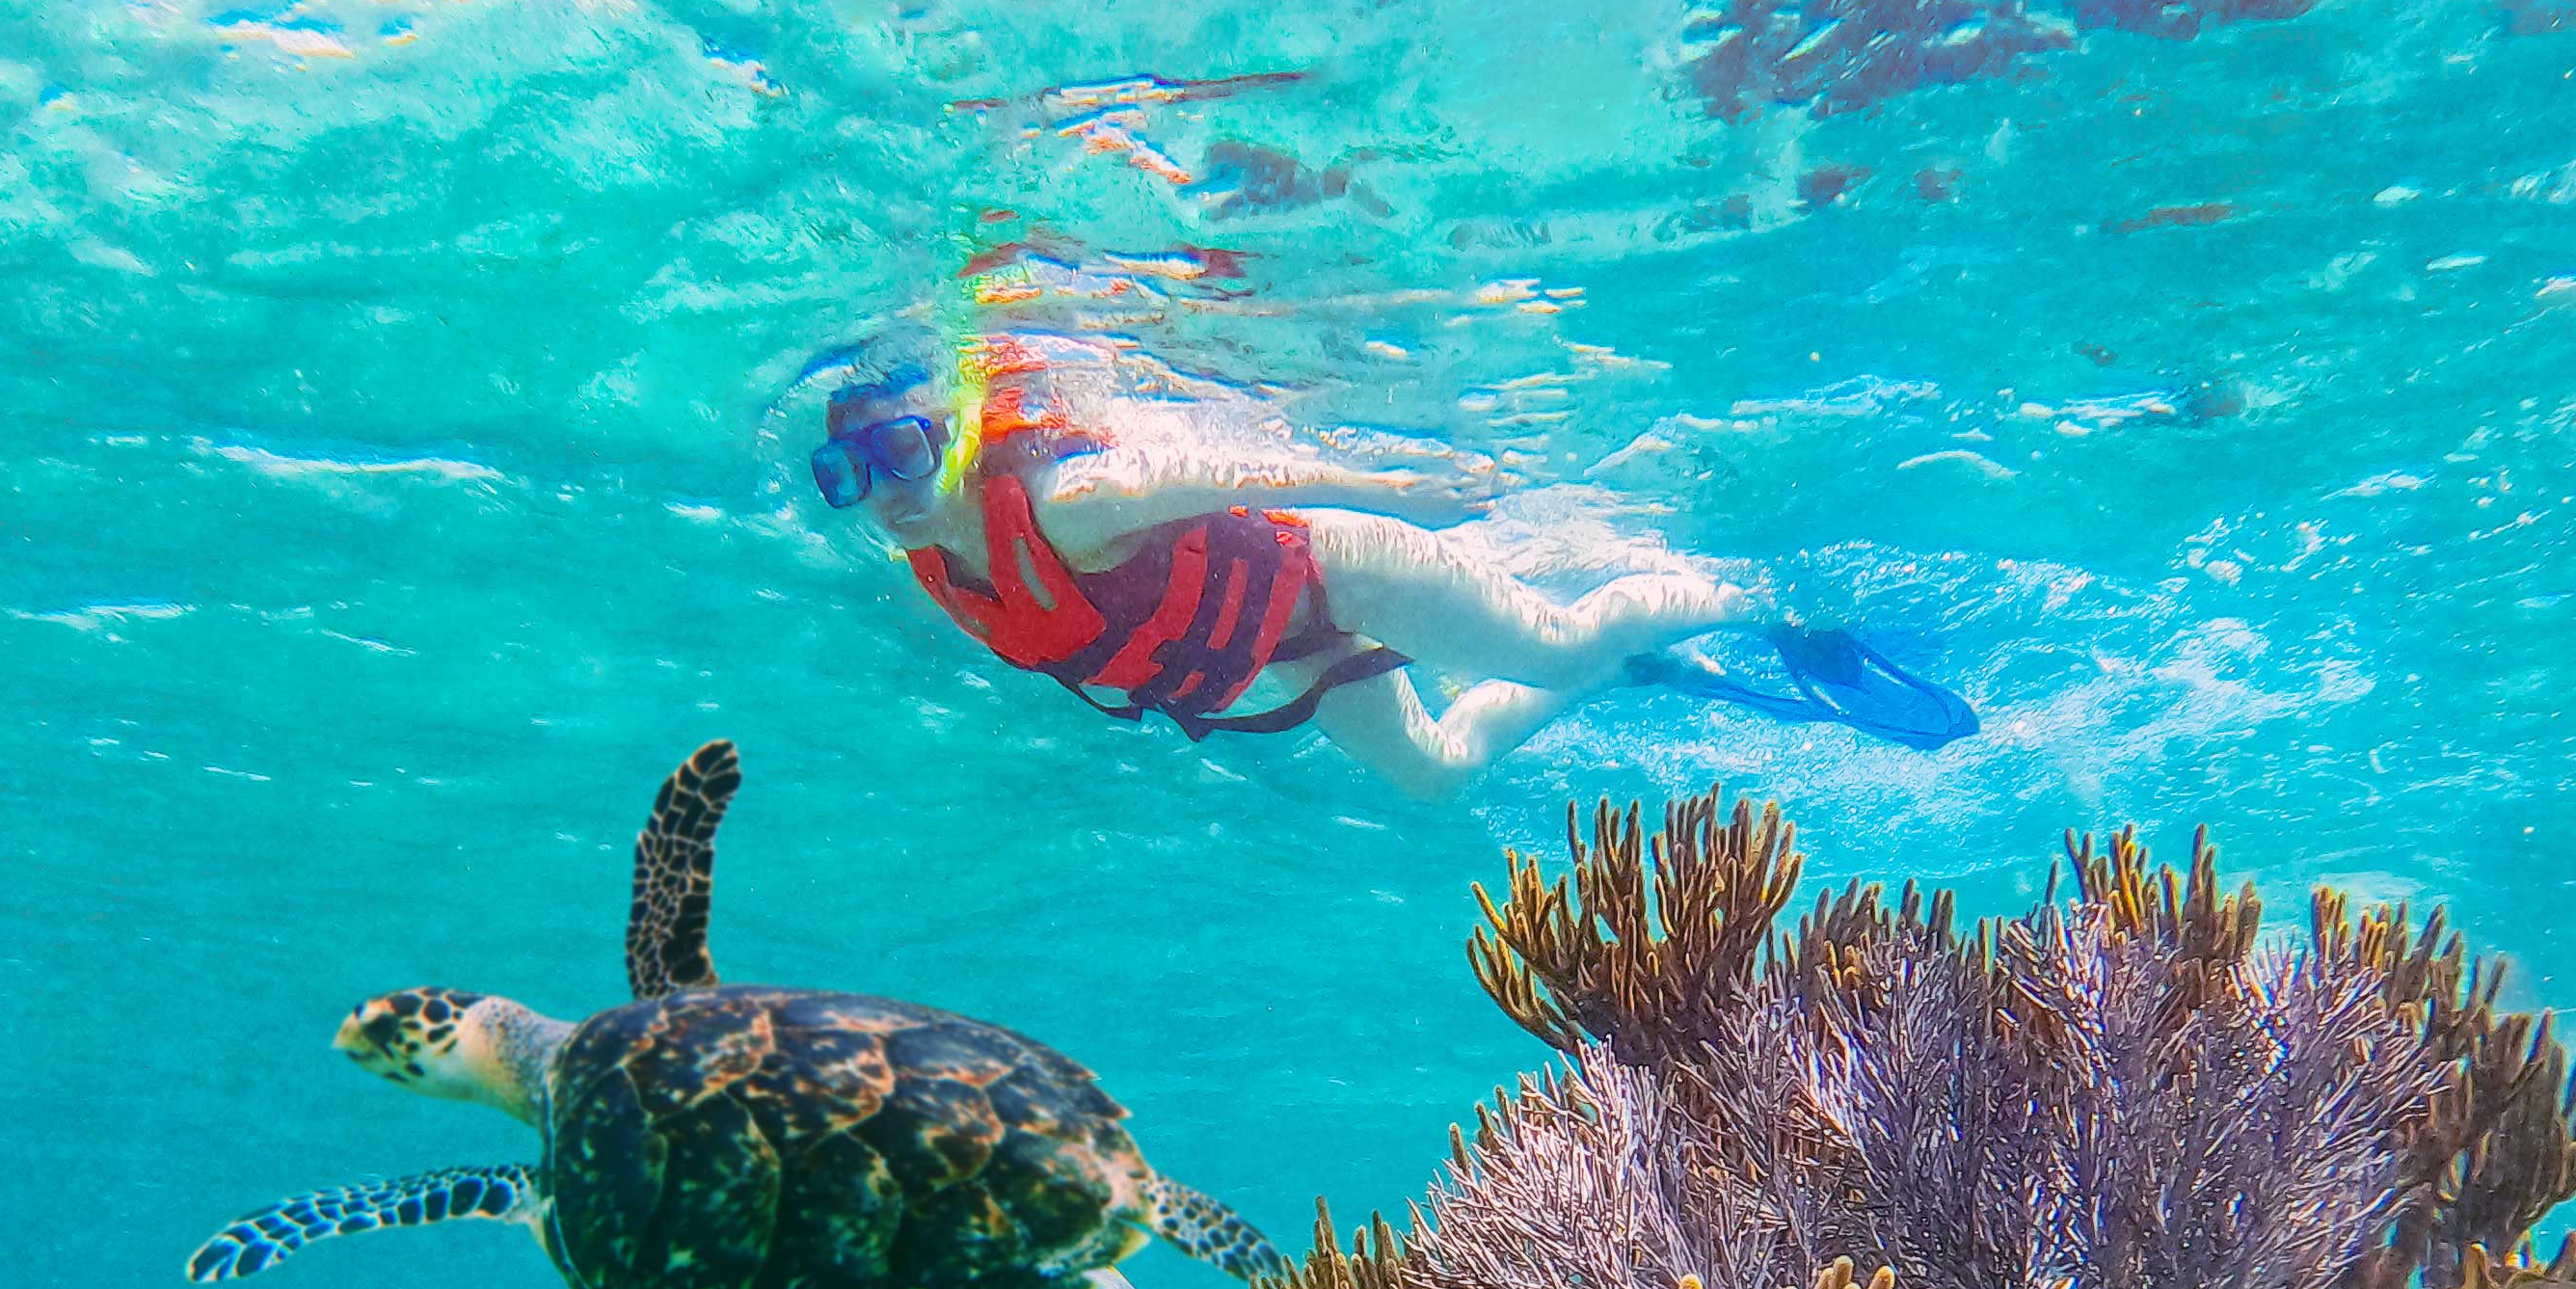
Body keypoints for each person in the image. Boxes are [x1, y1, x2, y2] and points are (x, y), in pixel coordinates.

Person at [809, 344, 1969, 793]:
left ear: (957, 436)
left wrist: (1392, 492)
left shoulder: (1067, 503)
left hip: (1340, 571)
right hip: (1284, 657)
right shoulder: (944, 569)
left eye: (904, 451)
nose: (890, 491)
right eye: (848, 475)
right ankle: (1629, 668)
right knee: (1433, 777)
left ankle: (1760, 608)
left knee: (1556, 640)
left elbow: (1215, 472)